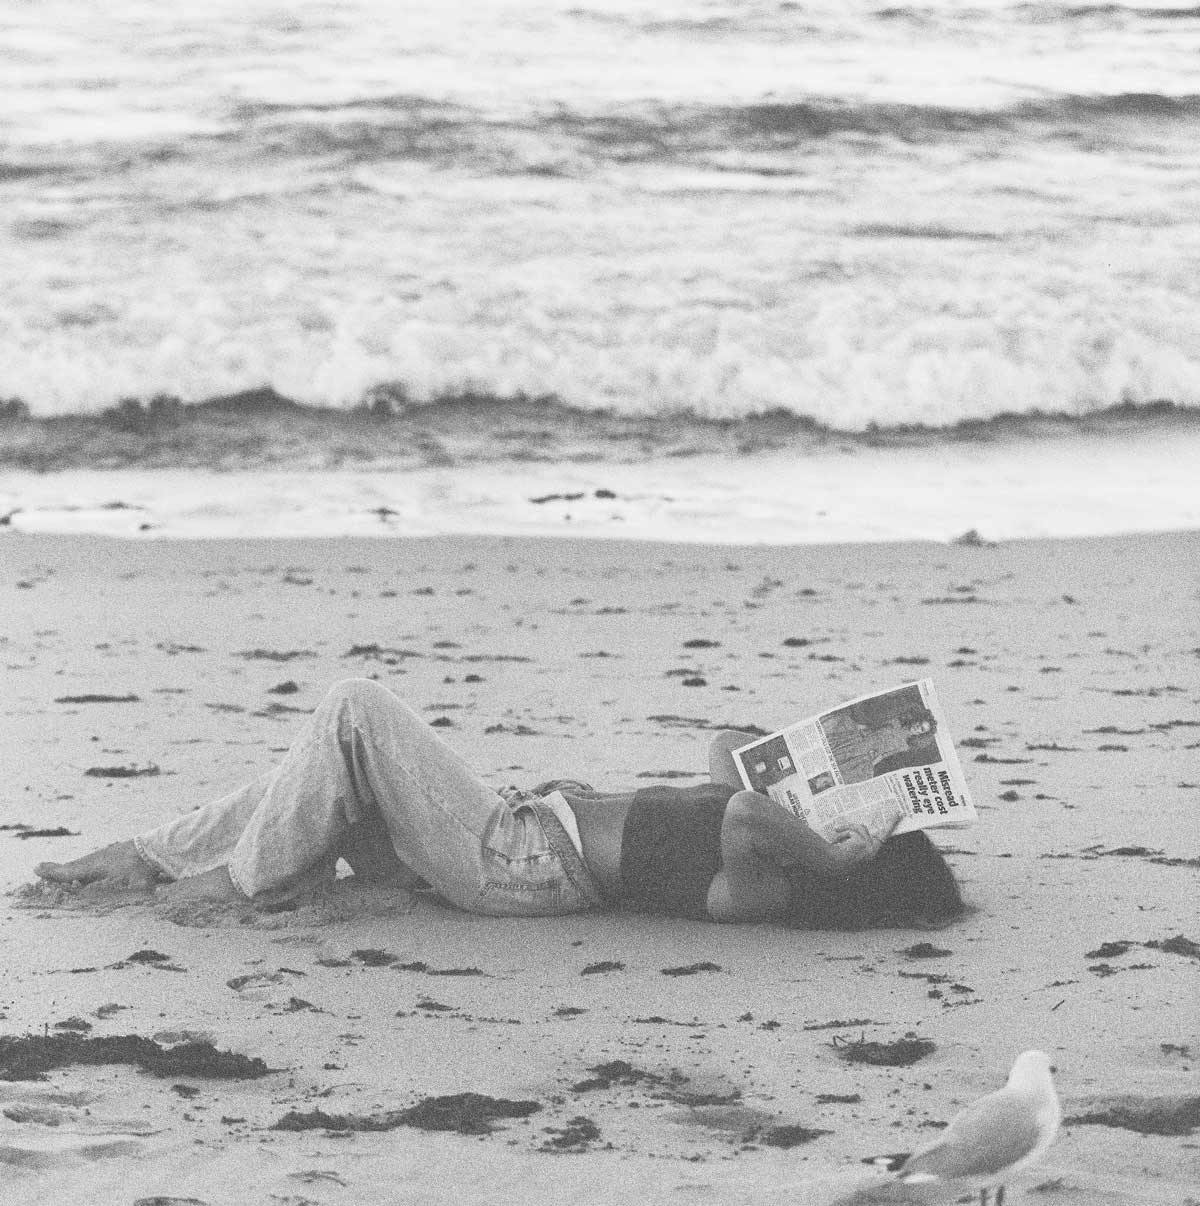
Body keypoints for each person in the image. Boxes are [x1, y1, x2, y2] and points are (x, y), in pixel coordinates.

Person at [35, 678, 965, 927]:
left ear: (856, 870)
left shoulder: (772, 891)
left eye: (865, 841)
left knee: (355, 710)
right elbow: (725, 756)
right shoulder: (770, 842)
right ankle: (150, 858)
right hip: (521, 829)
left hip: (515, 865)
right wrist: (826, 768)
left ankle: (239, 886)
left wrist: (829, 848)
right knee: (320, 776)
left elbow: (743, 818)